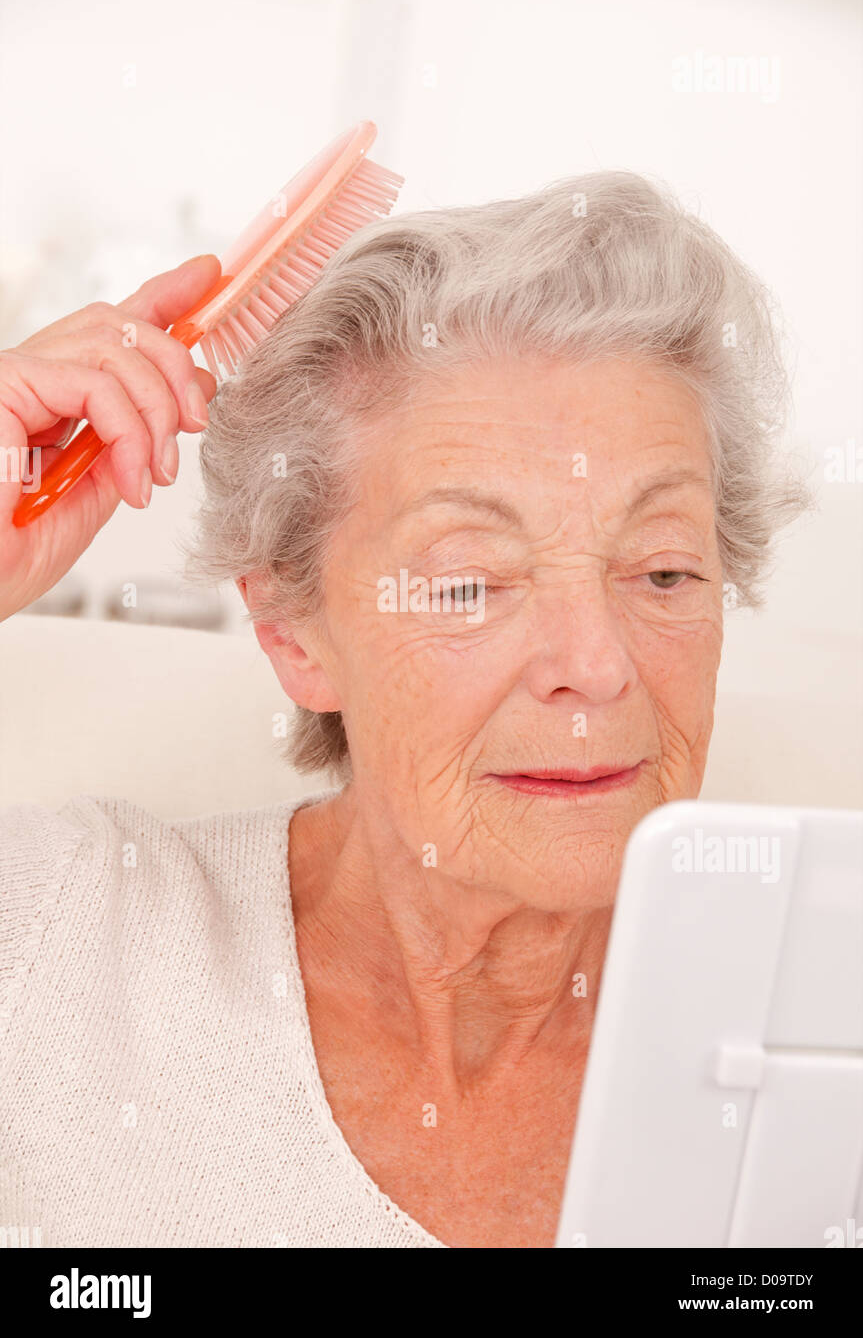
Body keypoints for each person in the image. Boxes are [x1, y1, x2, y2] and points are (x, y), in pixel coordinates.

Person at [0, 173, 809, 1248]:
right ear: (294, 634)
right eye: (469, 582)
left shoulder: (813, 1026)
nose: (596, 664)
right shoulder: (64, 943)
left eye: (662, 572)